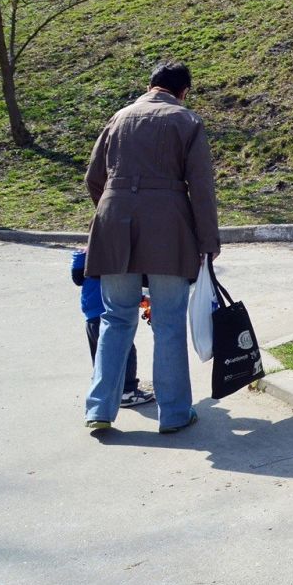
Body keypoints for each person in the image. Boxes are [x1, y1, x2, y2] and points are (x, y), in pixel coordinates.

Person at [82, 61, 220, 433]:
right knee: (169, 321)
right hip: (168, 227)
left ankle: (99, 410)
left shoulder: (119, 117)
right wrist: (208, 241)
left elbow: (94, 178)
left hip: (113, 223)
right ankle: (174, 414)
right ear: (183, 91)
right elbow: (202, 189)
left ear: (151, 85)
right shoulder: (187, 121)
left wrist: (115, 210)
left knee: (115, 318)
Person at [71, 248, 154, 408]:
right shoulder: (116, 262)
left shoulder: (89, 260)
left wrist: (81, 254)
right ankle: (127, 391)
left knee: (101, 355)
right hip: (111, 316)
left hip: (91, 317)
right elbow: (122, 291)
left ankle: (102, 390)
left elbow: (77, 277)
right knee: (127, 351)